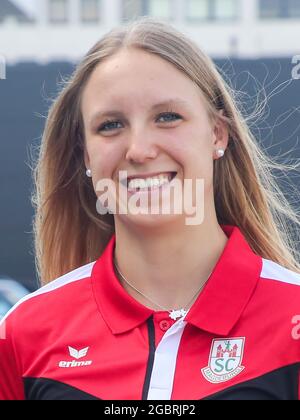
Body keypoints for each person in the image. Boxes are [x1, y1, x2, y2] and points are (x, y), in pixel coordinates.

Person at [1, 17, 300, 401]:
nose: (139, 150)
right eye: (111, 125)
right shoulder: (24, 333)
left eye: (167, 117)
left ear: (217, 134)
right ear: (84, 154)